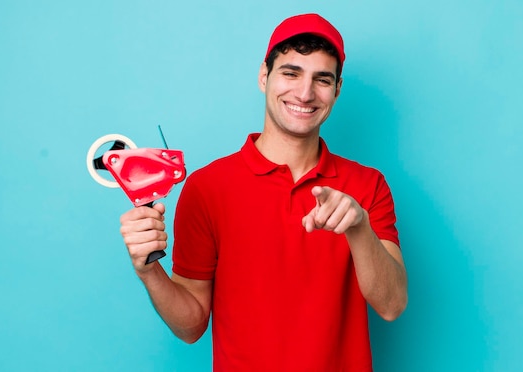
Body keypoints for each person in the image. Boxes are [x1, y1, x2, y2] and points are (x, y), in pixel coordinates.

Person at [119, 13, 407, 371]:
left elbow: (392, 305)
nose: (305, 93)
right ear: (263, 76)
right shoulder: (208, 187)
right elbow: (191, 326)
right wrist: (149, 272)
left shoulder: (368, 185)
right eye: (291, 73)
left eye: (322, 79)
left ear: (337, 90)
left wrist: (358, 227)